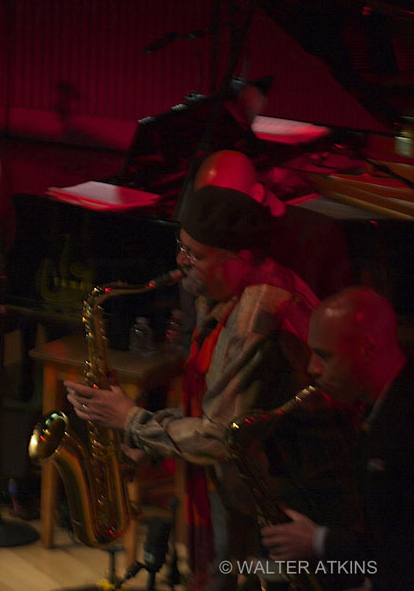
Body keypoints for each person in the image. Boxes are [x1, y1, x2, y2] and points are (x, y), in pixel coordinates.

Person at [64, 174, 321, 591]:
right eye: (180, 247)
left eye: (194, 254)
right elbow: (217, 401)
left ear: (239, 257)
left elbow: (223, 437)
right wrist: (143, 435)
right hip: (245, 478)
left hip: (285, 491)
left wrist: (132, 420)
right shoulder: (226, 290)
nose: (181, 261)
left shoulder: (256, 316)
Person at [260, 287, 414, 590]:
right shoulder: (386, 403)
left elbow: (402, 549)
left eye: (324, 356)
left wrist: (317, 540)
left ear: (367, 349)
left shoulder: (404, 423)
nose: (311, 368)